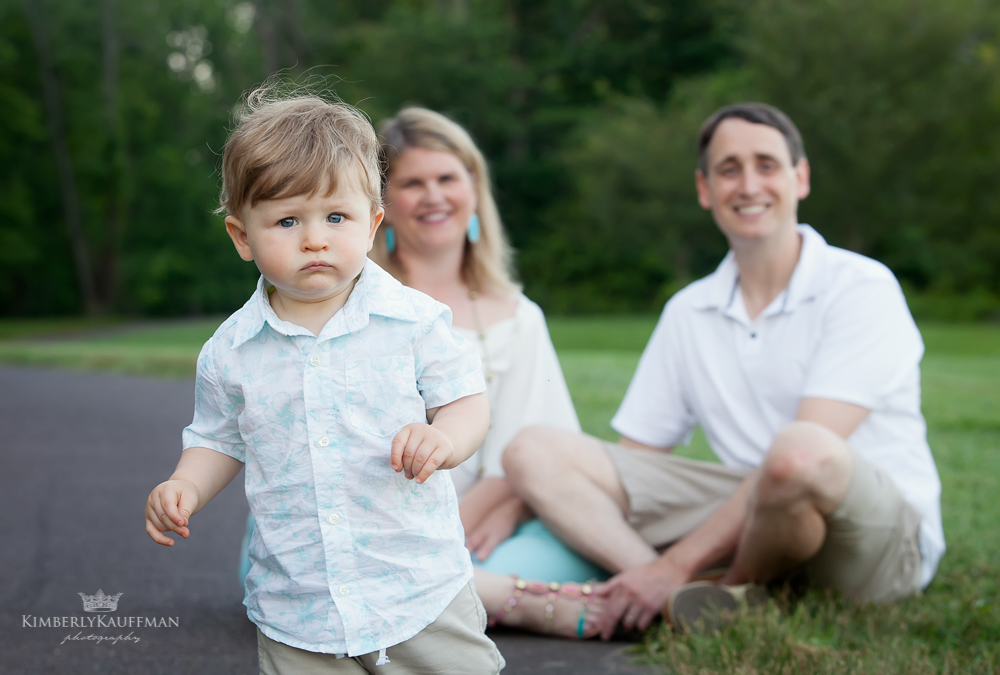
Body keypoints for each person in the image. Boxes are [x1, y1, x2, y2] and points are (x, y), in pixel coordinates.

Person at [503, 103, 945, 639]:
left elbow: (805, 460)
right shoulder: (690, 310)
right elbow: (635, 465)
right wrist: (528, 500)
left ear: (799, 178)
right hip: (764, 517)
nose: (748, 184)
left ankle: (720, 590)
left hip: (874, 538)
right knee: (533, 450)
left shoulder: (860, 287)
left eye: (766, 164)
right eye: (729, 169)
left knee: (797, 452)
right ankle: (668, 590)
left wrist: (677, 560)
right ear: (704, 189)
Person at [144, 91, 505, 673]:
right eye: (287, 221)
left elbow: (467, 403)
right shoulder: (231, 351)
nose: (314, 238)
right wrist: (185, 485)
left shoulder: (413, 321)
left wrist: (446, 439)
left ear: (372, 224)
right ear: (242, 236)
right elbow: (216, 439)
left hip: (415, 588)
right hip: (297, 601)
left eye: (336, 218)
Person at [376, 106, 608, 638]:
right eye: (413, 183)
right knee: (299, 560)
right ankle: (505, 598)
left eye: (447, 178)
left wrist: (496, 512)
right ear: (383, 205)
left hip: (487, 524)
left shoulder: (520, 316)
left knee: (568, 552)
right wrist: (431, 538)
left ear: (474, 189)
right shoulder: (358, 307)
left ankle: (450, 588)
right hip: (377, 519)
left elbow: (538, 444)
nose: (433, 196)